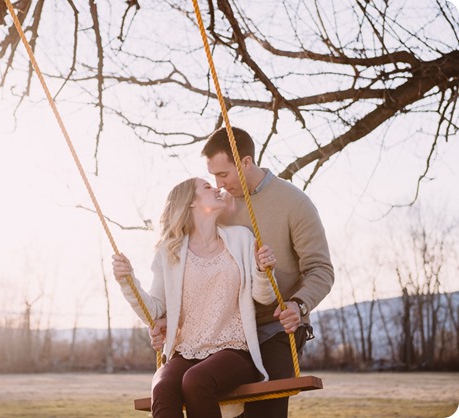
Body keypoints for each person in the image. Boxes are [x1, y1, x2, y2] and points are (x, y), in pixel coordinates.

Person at [149, 127, 335, 418]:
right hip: (221, 332)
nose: (218, 184)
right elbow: (195, 264)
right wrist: (165, 317)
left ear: (246, 162)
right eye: (213, 177)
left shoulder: (294, 203)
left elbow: (320, 269)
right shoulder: (222, 205)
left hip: (275, 327)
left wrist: (298, 305)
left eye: (223, 174)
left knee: (264, 412)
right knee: (189, 387)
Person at [112, 177, 279, 418]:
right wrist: (127, 281)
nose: (217, 188)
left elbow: (264, 297)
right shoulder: (169, 252)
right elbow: (155, 310)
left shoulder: (241, 239)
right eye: (207, 187)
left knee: (196, 380)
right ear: (190, 202)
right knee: (162, 386)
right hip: (186, 352)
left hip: (233, 351)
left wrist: (263, 272)